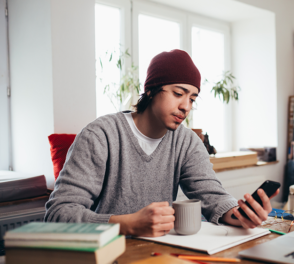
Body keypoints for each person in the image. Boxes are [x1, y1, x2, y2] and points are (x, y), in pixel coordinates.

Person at [45, 49, 280, 237]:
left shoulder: (186, 141)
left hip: (159, 254)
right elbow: (58, 214)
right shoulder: (101, 135)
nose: (186, 106)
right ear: (151, 90)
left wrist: (242, 214)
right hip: (105, 253)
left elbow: (214, 198)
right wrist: (126, 224)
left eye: (192, 98)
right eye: (178, 93)